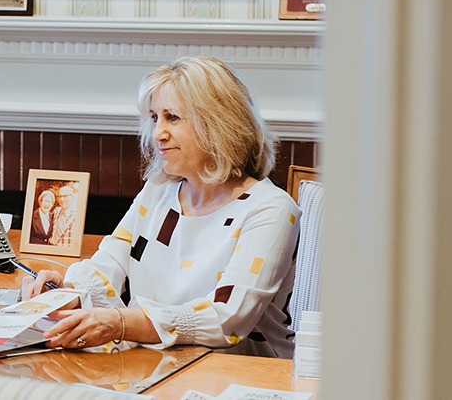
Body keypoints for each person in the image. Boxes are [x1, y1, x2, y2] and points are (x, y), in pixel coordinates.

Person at [23, 57, 300, 358]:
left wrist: (121, 323)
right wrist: (66, 292)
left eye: (173, 118)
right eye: (155, 117)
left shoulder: (269, 209)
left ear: (218, 123)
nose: (157, 134)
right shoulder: (157, 193)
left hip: (242, 375)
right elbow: (109, 266)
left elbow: (227, 319)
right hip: (153, 363)